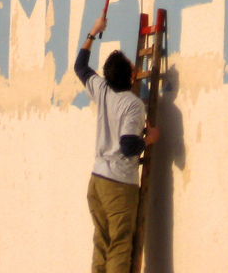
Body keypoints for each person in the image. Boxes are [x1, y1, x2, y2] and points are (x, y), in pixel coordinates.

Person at [75, 15, 159, 273]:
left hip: (97, 181)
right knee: (121, 246)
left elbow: (80, 67)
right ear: (132, 75)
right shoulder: (132, 105)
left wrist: (93, 32)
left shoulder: (101, 89)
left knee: (102, 243)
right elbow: (128, 145)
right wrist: (149, 139)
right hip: (119, 184)